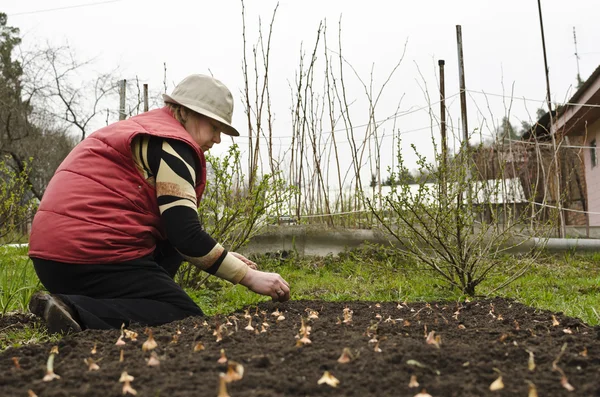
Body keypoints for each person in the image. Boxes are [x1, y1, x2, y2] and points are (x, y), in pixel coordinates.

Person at [27, 74, 290, 334]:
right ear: (188, 113)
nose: (218, 139)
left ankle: (73, 303)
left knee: (170, 241)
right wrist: (248, 276)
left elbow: (175, 231)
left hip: (52, 258)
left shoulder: (141, 129)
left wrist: (223, 256)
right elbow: (186, 235)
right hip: (89, 256)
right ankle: (74, 308)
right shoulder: (173, 145)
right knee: (181, 315)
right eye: (215, 127)